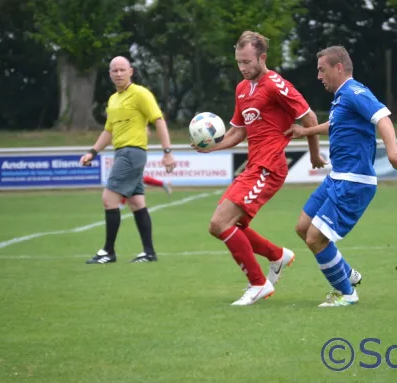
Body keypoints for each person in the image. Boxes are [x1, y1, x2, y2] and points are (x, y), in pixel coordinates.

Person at [193, 31, 327, 306]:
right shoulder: (242, 89)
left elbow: (309, 117)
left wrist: (314, 155)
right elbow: (236, 133)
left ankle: (258, 284)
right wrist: (211, 147)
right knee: (228, 225)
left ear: (262, 57)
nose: (242, 68)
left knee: (220, 223)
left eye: (247, 62)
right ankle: (277, 256)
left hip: (269, 167)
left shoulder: (276, 84)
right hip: (254, 166)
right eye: (238, 62)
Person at [284, 46, 397, 307]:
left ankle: (346, 293)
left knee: (314, 238)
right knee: (302, 228)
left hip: (354, 181)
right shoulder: (342, 98)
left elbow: (383, 119)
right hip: (337, 177)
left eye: (322, 70)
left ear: (338, 68)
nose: (319, 76)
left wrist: (392, 153)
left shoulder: (355, 92)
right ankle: (347, 274)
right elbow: (336, 125)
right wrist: (305, 132)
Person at [80, 56, 176, 264]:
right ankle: (149, 252)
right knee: (136, 202)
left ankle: (108, 252)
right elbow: (109, 131)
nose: (119, 74)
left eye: (122, 70)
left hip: (132, 152)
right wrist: (92, 152)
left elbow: (158, 120)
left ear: (131, 71)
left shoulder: (141, 94)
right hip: (122, 152)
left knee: (108, 199)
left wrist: (167, 151)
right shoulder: (113, 100)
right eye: (114, 71)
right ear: (110, 74)